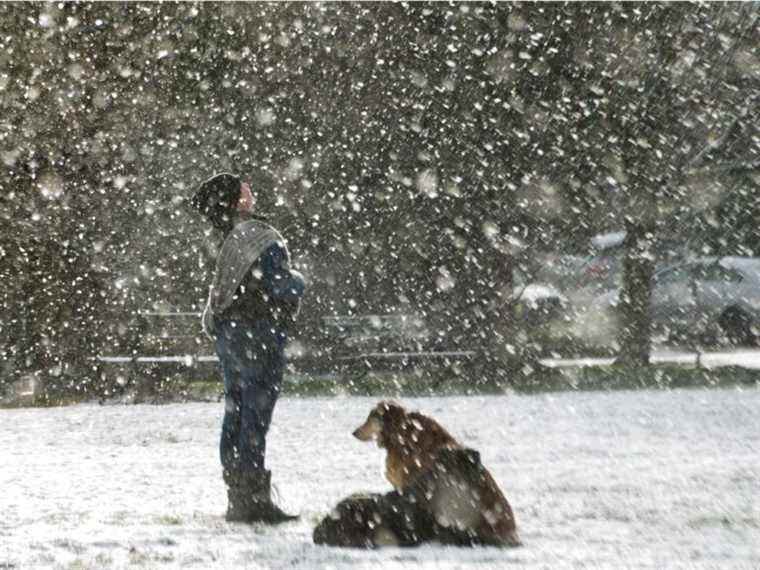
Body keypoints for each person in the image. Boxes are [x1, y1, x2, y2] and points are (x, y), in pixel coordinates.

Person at [190, 172, 305, 523]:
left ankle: (238, 495)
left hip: (231, 333)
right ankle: (253, 499)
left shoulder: (221, 237)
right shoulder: (257, 236)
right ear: (237, 199)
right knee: (256, 413)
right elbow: (277, 284)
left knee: (236, 410)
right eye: (244, 187)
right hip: (260, 332)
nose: (250, 189)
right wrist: (298, 280)